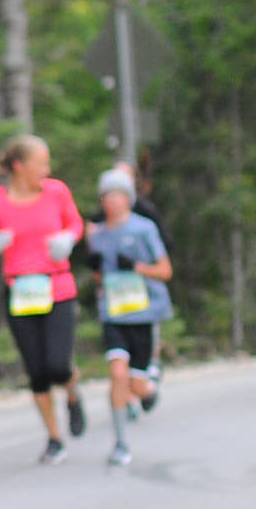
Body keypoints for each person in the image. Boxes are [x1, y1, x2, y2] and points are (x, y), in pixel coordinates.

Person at [0, 135, 86, 463]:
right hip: (20, 294)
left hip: (57, 288)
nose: (47, 169)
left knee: (57, 364)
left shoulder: (56, 192)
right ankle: (54, 438)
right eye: (41, 163)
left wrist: (68, 238)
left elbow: (75, 223)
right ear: (19, 166)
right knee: (37, 371)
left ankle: (72, 390)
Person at [85, 169, 173, 467]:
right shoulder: (97, 234)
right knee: (117, 374)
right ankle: (121, 443)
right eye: (106, 195)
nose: (112, 200)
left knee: (135, 385)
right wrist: (95, 268)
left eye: (117, 194)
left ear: (128, 198)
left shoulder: (144, 228)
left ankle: (148, 389)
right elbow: (101, 278)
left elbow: (165, 271)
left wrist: (137, 267)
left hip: (142, 314)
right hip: (113, 314)